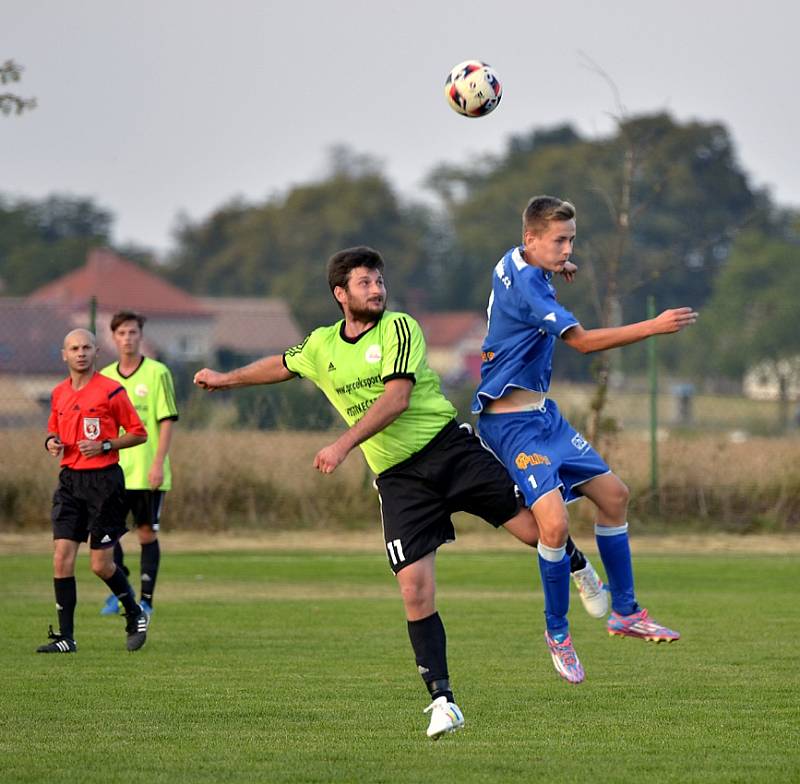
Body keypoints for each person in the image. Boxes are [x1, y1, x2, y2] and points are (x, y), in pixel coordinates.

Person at [193, 246, 603, 740]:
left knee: (539, 531)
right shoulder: (321, 346)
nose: (377, 289)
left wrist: (343, 444)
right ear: (340, 294)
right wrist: (224, 379)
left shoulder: (399, 328)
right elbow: (281, 364)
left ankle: (578, 567)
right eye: (365, 282)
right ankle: (444, 702)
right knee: (414, 589)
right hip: (400, 480)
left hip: (450, 451)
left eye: (380, 280)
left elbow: (397, 398)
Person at [473, 195, 698, 684]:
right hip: (508, 425)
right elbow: (582, 343)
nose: (567, 247)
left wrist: (559, 262)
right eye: (559, 240)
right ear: (532, 238)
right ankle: (558, 632)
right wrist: (654, 328)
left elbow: (529, 269)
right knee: (552, 525)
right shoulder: (532, 288)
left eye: (571, 239)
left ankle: (626, 612)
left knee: (615, 495)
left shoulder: (513, 261)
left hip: (543, 418)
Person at [38, 328, 150, 654]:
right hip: (70, 482)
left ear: (96, 351)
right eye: (74, 348)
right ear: (64, 354)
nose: (81, 353)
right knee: (61, 559)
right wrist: (50, 442)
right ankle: (66, 638)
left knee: (100, 565)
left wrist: (104, 444)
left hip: (104, 483)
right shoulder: (59, 393)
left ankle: (134, 611)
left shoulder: (111, 391)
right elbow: (53, 429)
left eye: (86, 347)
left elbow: (138, 433)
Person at [99, 311, 179, 617]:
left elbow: (167, 421)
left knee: (146, 534)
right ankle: (122, 592)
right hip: (114, 472)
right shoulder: (105, 377)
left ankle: (146, 600)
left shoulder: (157, 373)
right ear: (113, 337)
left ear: (140, 336)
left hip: (147, 471)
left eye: (133, 332)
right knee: (109, 536)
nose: (128, 338)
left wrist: (158, 463)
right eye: (122, 333)